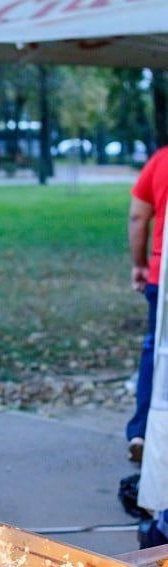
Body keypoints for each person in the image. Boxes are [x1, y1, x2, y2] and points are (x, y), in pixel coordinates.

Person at [125, 145, 168, 464]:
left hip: (162, 272)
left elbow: (138, 216)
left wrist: (139, 264)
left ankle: (142, 432)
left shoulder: (161, 160)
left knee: (156, 352)